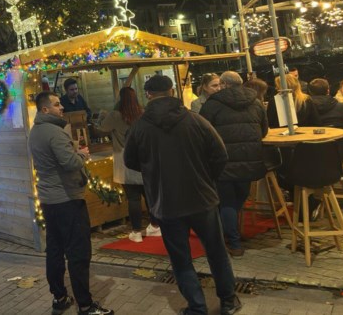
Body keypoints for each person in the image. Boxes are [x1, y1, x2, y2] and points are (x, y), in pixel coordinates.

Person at [125, 75, 241, 315]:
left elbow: (130, 161)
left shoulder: (139, 127)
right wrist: (206, 177)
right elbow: (220, 154)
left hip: (165, 203)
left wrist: (154, 172)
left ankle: (197, 307)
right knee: (216, 252)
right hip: (202, 198)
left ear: (148, 94)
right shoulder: (194, 120)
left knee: (180, 259)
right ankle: (228, 301)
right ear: (172, 90)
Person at [28, 91, 113, 315]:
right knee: (78, 253)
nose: (62, 108)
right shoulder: (55, 133)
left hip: (48, 200)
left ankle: (59, 297)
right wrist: (81, 155)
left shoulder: (35, 131)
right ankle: (85, 305)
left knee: (54, 249)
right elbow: (68, 162)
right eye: (57, 105)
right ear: (45, 109)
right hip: (67, 199)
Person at [199, 71, 268, 257]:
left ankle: (233, 242)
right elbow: (264, 130)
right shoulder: (256, 102)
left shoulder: (212, 105)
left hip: (223, 162)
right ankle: (231, 231)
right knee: (239, 197)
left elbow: (203, 134)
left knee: (227, 202)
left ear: (223, 84)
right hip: (250, 159)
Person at [95, 87, 160, 243]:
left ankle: (136, 232)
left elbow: (100, 131)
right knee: (149, 195)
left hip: (123, 158)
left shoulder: (115, 115)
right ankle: (155, 226)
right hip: (143, 157)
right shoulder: (142, 113)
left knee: (133, 198)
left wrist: (100, 118)